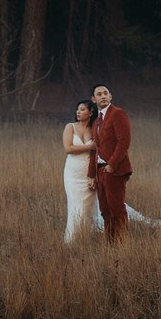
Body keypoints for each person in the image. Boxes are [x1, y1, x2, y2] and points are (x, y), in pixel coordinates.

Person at [89, 83, 132, 241]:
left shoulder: (118, 114)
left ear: (111, 96)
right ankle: (110, 244)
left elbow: (124, 142)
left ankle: (121, 245)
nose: (103, 96)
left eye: (105, 93)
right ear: (94, 99)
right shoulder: (97, 122)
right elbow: (95, 149)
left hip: (115, 169)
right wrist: (92, 175)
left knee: (117, 209)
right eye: (99, 94)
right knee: (105, 210)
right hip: (100, 170)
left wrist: (112, 165)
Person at [61, 99, 99, 244]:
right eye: (77, 109)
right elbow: (68, 148)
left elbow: (98, 151)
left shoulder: (94, 128)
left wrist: (93, 175)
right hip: (73, 174)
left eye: (82, 109)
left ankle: (87, 238)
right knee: (75, 205)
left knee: (88, 207)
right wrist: (90, 147)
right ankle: (71, 240)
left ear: (90, 112)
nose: (78, 112)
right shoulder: (70, 127)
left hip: (88, 174)